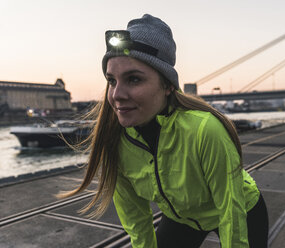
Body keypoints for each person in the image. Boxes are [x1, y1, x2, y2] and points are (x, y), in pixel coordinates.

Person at [62, 14, 268, 248]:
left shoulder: (204, 130)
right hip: (182, 217)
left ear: (168, 85)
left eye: (134, 79)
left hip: (242, 210)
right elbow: (136, 223)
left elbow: (231, 211)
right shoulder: (116, 142)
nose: (116, 94)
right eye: (112, 80)